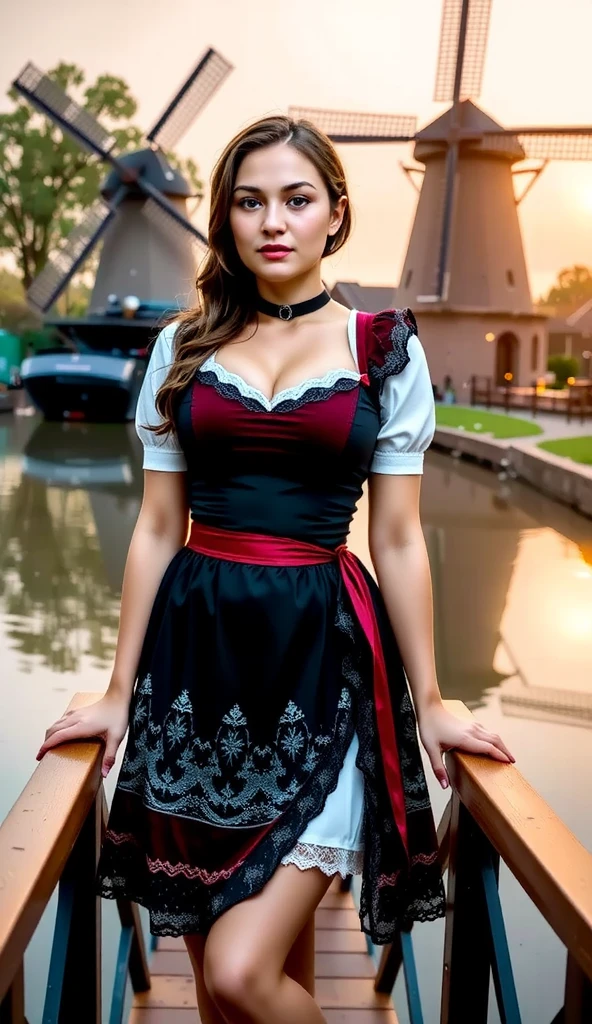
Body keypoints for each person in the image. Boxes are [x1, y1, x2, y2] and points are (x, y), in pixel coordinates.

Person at [36, 115, 514, 1024]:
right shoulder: (181, 348)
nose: (273, 222)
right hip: (194, 667)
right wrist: (114, 691)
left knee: (239, 973)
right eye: (249, 202)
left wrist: (437, 700)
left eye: (297, 199)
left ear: (337, 213)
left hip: (321, 660)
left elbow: (400, 540)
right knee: (222, 988)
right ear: (224, 220)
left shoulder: (384, 348)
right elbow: (154, 528)